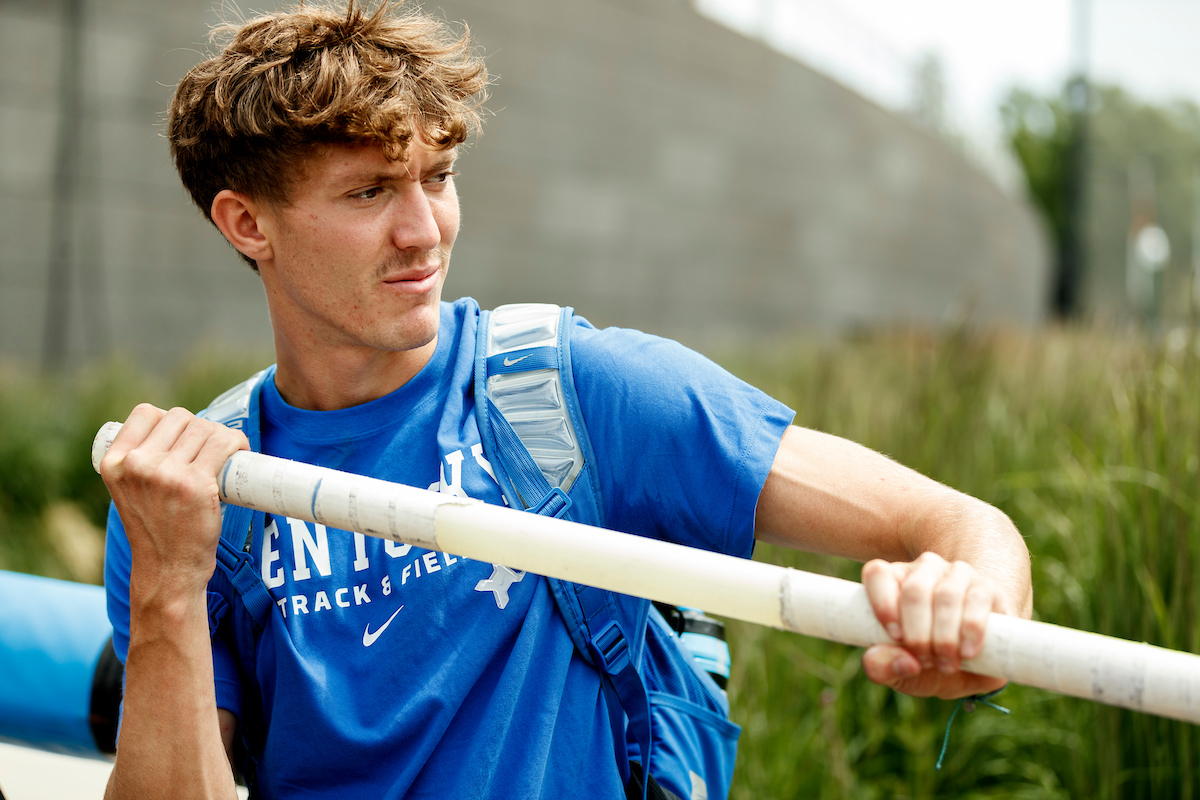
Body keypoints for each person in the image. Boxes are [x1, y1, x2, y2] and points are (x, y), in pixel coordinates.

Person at [98, 3, 1032, 798]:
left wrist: (972, 607)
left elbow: (958, 522)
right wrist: (169, 588)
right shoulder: (196, 492)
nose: (424, 231)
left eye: (438, 177)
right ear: (248, 224)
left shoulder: (575, 393)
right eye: (370, 192)